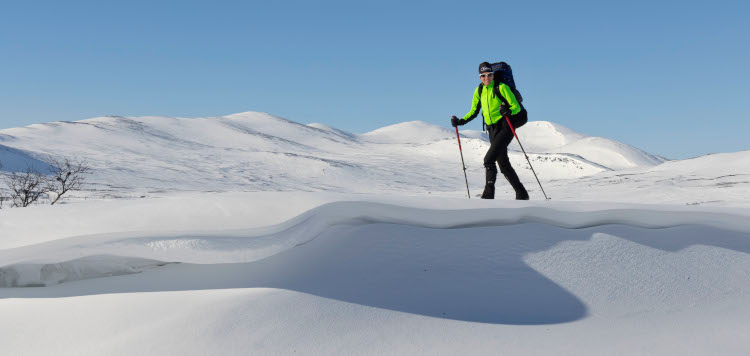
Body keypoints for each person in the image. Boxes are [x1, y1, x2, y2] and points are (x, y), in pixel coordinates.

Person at [451, 62, 529, 200]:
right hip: (492, 129)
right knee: (503, 165)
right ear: (480, 77)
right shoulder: (479, 91)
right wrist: (460, 121)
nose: (486, 78)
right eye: (483, 75)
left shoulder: (502, 87)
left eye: (489, 74)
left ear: (493, 75)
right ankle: (522, 194)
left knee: (488, 160)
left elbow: (516, 107)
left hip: (505, 126)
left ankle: (488, 195)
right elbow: (474, 111)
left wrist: (508, 110)